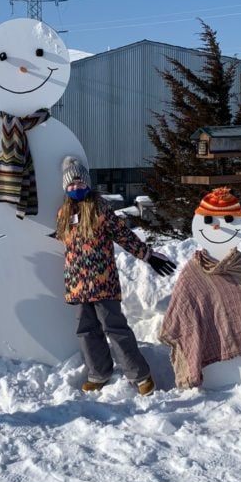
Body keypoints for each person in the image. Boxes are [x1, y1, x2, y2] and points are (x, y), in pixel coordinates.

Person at [55, 156, 177, 395]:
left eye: (79, 183)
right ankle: (98, 372)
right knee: (86, 330)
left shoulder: (100, 210)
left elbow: (125, 236)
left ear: (88, 184)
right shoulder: (63, 215)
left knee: (115, 328)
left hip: (103, 283)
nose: (75, 188)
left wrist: (148, 256)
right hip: (77, 286)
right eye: (70, 185)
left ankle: (140, 375)